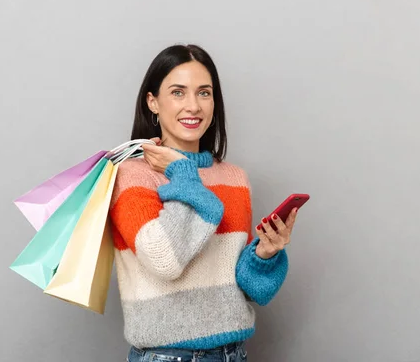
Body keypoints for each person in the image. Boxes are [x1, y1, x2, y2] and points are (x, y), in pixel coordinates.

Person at [108, 44, 298, 362]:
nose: (193, 106)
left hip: (233, 354)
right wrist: (182, 173)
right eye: (178, 92)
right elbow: (164, 260)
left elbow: (249, 290)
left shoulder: (235, 178)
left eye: (204, 93)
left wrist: (264, 255)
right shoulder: (130, 176)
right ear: (152, 102)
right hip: (167, 356)